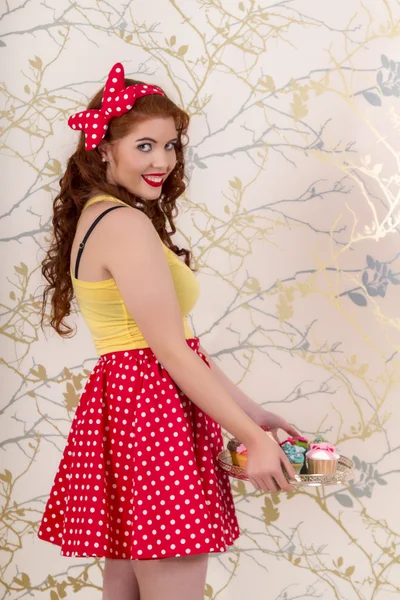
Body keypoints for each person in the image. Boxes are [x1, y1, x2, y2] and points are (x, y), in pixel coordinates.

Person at [38, 62, 301, 600]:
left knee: (126, 589)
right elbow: (171, 353)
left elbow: (179, 343)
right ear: (103, 148)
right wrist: (252, 440)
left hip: (130, 411)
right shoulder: (125, 224)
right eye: (145, 146)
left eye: (172, 145)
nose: (163, 161)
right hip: (154, 418)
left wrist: (250, 411)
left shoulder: (99, 215)